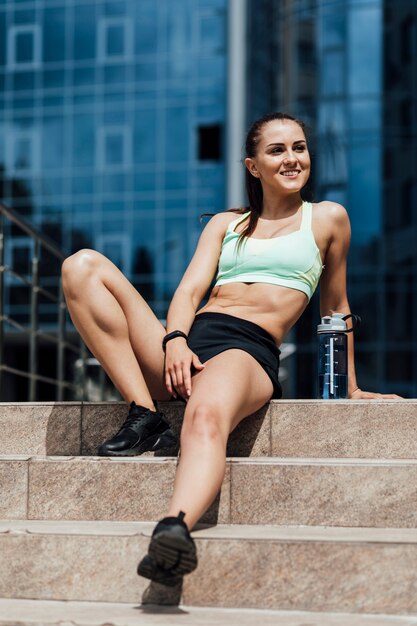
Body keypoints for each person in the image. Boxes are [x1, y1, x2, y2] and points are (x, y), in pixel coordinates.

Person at [61, 111, 400, 587]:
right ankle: (145, 413)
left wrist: (350, 386)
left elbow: (336, 307)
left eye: (299, 147)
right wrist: (175, 339)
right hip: (189, 344)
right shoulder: (227, 224)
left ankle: (174, 528)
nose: (291, 158)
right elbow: (186, 294)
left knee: (204, 417)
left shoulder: (326, 219)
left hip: (247, 351)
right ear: (253, 166)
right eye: (277, 150)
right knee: (82, 266)